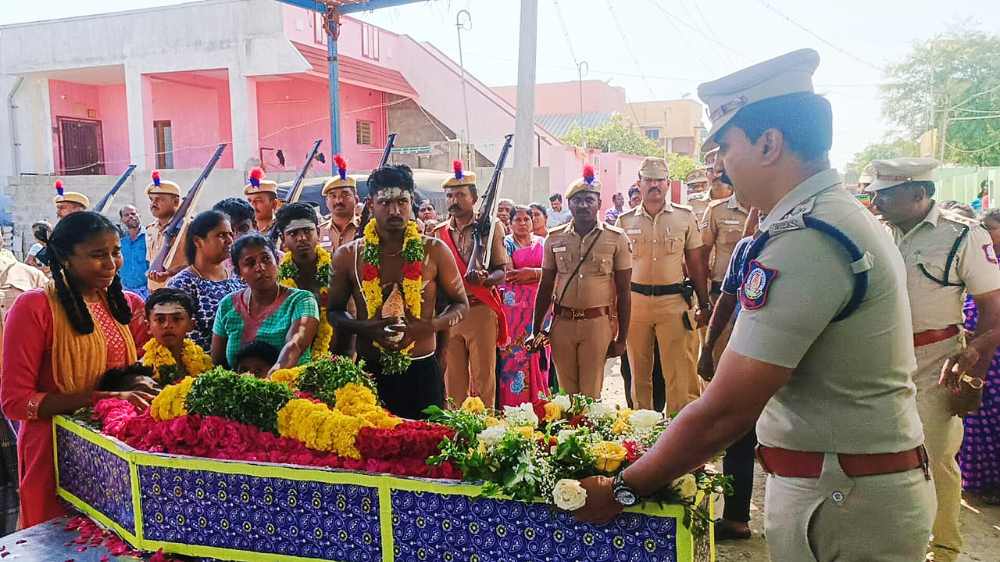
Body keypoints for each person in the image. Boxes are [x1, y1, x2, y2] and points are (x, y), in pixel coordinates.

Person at [573, 49, 935, 562]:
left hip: (843, 502)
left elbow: (725, 412)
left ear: (769, 143)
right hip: (841, 487)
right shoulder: (824, 219)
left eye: (724, 146)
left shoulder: (808, 240)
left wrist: (620, 490)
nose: (718, 164)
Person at [869, 157, 1000, 562]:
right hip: (878, 358)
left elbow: (993, 309)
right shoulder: (875, 233)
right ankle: (892, 540)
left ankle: (943, 547)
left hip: (937, 359)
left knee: (935, 455)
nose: (876, 199)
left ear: (918, 193)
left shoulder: (963, 235)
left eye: (886, 192)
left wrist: (974, 370)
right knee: (879, 452)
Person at [1, 212, 151, 527]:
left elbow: (137, 374)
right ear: (66, 259)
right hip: (53, 454)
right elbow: (15, 401)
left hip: (118, 454)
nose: (111, 263)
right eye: (98, 255)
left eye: (116, 252)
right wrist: (99, 398)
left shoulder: (131, 305)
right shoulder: (33, 308)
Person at [328, 165, 469, 419]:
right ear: (370, 204)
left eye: (402, 201)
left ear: (411, 201)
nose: (395, 210)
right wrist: (364, 327)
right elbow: (335, 311)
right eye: (385, 202)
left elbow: (461, 304)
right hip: (370, 370)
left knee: (426, 451)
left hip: (423, 369)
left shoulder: (434, 251)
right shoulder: (348, 255)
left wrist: (429, 326)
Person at [528, 165, 631, 398]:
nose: (583, 205)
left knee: (591, 392)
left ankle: (588, 434)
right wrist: (535, 331)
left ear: (599, 202)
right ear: (569, 204)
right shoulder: (553, 238)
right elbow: (545, 286)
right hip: (561, 323)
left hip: (597, 323)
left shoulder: (616, 238)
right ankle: (567, 434)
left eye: (588, 200)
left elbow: (624, 292)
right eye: (577, 200)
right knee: (565, 393)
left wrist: (622, 338)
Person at [617, 157, 710, 414]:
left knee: (681, 373)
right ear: (639, 184)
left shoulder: (684, 217)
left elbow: (696, 263)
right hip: (636, 304)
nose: (654, 185)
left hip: (674, 303)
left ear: (668, 184)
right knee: (639, 373)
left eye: (659, 180)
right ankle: (643, 437)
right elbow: (615, 270)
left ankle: (682, 436)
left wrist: (704, 303)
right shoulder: (624, 222)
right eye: (649, 180)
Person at [698, 209, 760, 541]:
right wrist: (708, 349)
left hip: (796, 362)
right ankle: (736, 518)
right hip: (747, 351)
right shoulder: (747, 247)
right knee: (739, 433)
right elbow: (727, 297)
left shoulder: (812, 245)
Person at [434, 161, 510, 408]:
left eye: (460, 194)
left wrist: (485, 279)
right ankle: (458, 433)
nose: (454, 200)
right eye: (449, 195)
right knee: (452, 380)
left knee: (483, 380)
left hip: (480, 309)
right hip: (451, 313)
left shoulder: (491, 228)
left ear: (474, 198)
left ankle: (486, 432)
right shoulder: (438, 232)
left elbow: (502, 271)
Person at [211, 234, 318, 373]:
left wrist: (274, 376)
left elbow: (295, 344)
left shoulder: (301, 300)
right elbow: (218, 364)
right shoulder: (227, 305)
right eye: (250, 263)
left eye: (266, 259)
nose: (260, 267)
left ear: (277, 262)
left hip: (293, 388)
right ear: (239, 273)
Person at [960, 209, 1000, 505]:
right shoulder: (982, 261)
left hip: (993, 356)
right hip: (976, 353)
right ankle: (977, 479)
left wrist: (982, 342)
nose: (984, 232)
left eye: (990, 228)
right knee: (975, 412)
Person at [166, 210, 244, 350]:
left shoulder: (237, 277)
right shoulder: (182, 284)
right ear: (197, 241)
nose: (230, 240)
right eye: (221, 235)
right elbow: (184, 338)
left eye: (230, 234)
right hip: (203, 365)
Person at [497, 206, 549, 407]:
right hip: (514, 312)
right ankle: (514, 406)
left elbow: (552, 271)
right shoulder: (506, 243)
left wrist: (533, 273)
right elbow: (510, 273)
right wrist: (538, 274)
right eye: (517, 219)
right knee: (516, 355)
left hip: (541, 307)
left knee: (539, 350)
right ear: (510, 223)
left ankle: (541, 404)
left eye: (527, 219)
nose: (523, 223)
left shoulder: (542, 243)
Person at [273, 202, 334, 357]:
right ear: (283, 238)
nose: (302, 238)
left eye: (307, 231)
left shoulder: (337, 269)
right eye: (293, 233)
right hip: (289, 359)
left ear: (318, 233)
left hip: (334, 356)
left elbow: (349, 316)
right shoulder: (275, 276)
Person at [142, 288, 212, 385]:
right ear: (148, 326)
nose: (168, 325)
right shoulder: (144, 371)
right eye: (160, 319)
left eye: (176, 319)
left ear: (191, 324)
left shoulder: (204, 363)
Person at [700, 174, 749, 300]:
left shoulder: (768, 209)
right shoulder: (717, 210)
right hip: (723, 287)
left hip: (758, 287)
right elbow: (703, 254)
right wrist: (703, 297)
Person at [145, 171, 188, 290]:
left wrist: (170, 273)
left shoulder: (188, 228)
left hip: (179, 291)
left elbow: (198, 264)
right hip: (154, 292)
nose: (153, 203)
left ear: (175, 202)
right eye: (151, 199)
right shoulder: (150, 229)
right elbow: (151, 262)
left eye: (159, 199)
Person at [319, 156, 359, 250]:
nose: (339, 201)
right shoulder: (318, 232)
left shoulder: (366, 228)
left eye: (345, 195)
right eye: (333, 196)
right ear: (326, 201)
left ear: (356, 199)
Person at [118, 205, 149, 298]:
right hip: (125, 290)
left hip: (147, 290)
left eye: (133, 213)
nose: (130, 216)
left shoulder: (150, 236)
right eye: (126, 215)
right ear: (122, 220)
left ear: (139, 215)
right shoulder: (119, 240)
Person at [244, 167, 280, 237]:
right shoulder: (245, 231)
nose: (252, 204)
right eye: (249, 201)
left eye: (258, 201)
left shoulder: (281, 229)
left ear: (274, 204)